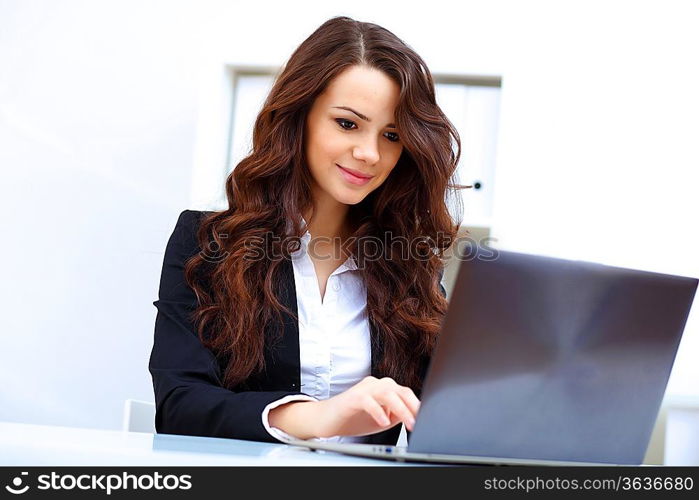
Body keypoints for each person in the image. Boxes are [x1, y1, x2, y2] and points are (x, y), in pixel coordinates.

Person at [149, 15, 463, 446]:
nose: (370, 153)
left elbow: (450, 417)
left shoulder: (408, 262)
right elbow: (179, 406)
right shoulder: (207, 243)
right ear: (300, 117)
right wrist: (317, 418)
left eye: (392, 135)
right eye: (348, 123)